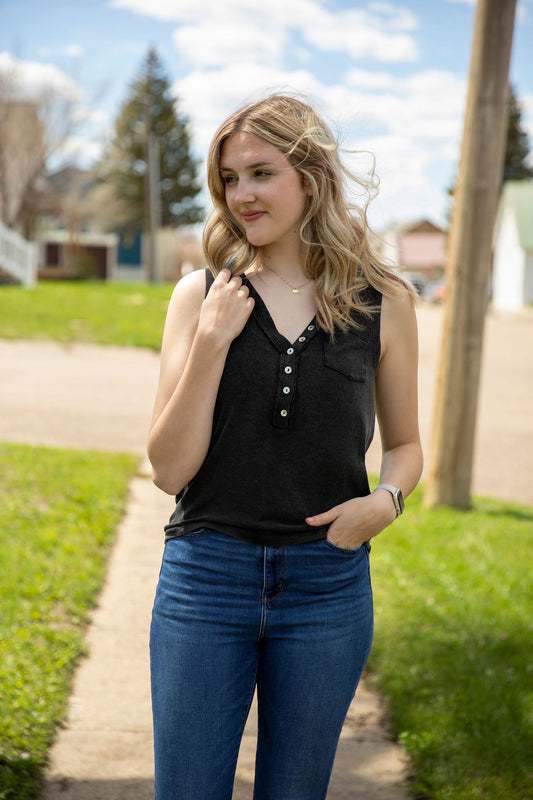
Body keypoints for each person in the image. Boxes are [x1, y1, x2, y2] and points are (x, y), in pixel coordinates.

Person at [147, 93, 423, 800]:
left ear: (310, 177)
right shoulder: (200, 294)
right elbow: (169, 468)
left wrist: (383, 503)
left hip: (325, 589)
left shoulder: (383, 299)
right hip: (205, 578)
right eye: (229, 179)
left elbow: (407, 444)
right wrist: (211, 342)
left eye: (259, 173)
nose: (241, 194)